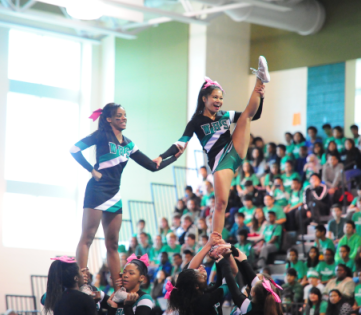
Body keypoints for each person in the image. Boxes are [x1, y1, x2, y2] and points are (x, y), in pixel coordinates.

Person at [71, 103, 180, 287]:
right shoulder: (101, 136)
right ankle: (81, 283)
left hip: (114, 193)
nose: (124, 118)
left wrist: (174, 157)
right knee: (87, 237)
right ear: (109, 119)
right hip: (97, 190)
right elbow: (74, 149)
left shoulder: (129, 144)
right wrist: (91, 170)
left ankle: (118, 288)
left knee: (112, 244)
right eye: (119, 116)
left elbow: (153, 166)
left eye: (125, 115)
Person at [155, 61, 269, 235]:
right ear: (204, 99)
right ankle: (215, 237)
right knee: (221, 203)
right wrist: (161, 157)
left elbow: (256, 115)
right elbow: (180, 143)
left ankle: (260, 79)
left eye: (221, 98)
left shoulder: (225, 115)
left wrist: (262, 97)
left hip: (234, 149)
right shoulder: (196, 122)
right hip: (219, 161)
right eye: (215, 97)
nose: (219, 101)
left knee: (245, 116)